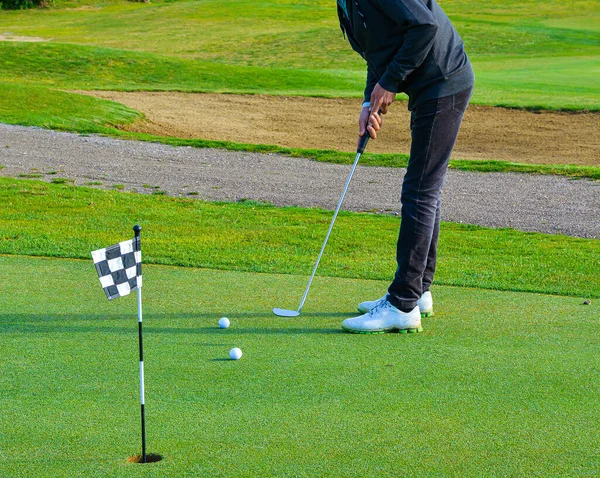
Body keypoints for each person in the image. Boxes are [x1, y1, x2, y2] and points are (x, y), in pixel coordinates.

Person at [337, 0, 475, 334]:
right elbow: (378, 51)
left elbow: (424, 26)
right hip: (428, 84)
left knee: (419, 191)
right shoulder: (345, 4)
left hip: (444, 81)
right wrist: (370, 100)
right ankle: (419, 290)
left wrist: (392, 81)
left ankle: (402, 305)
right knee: (424, 191)